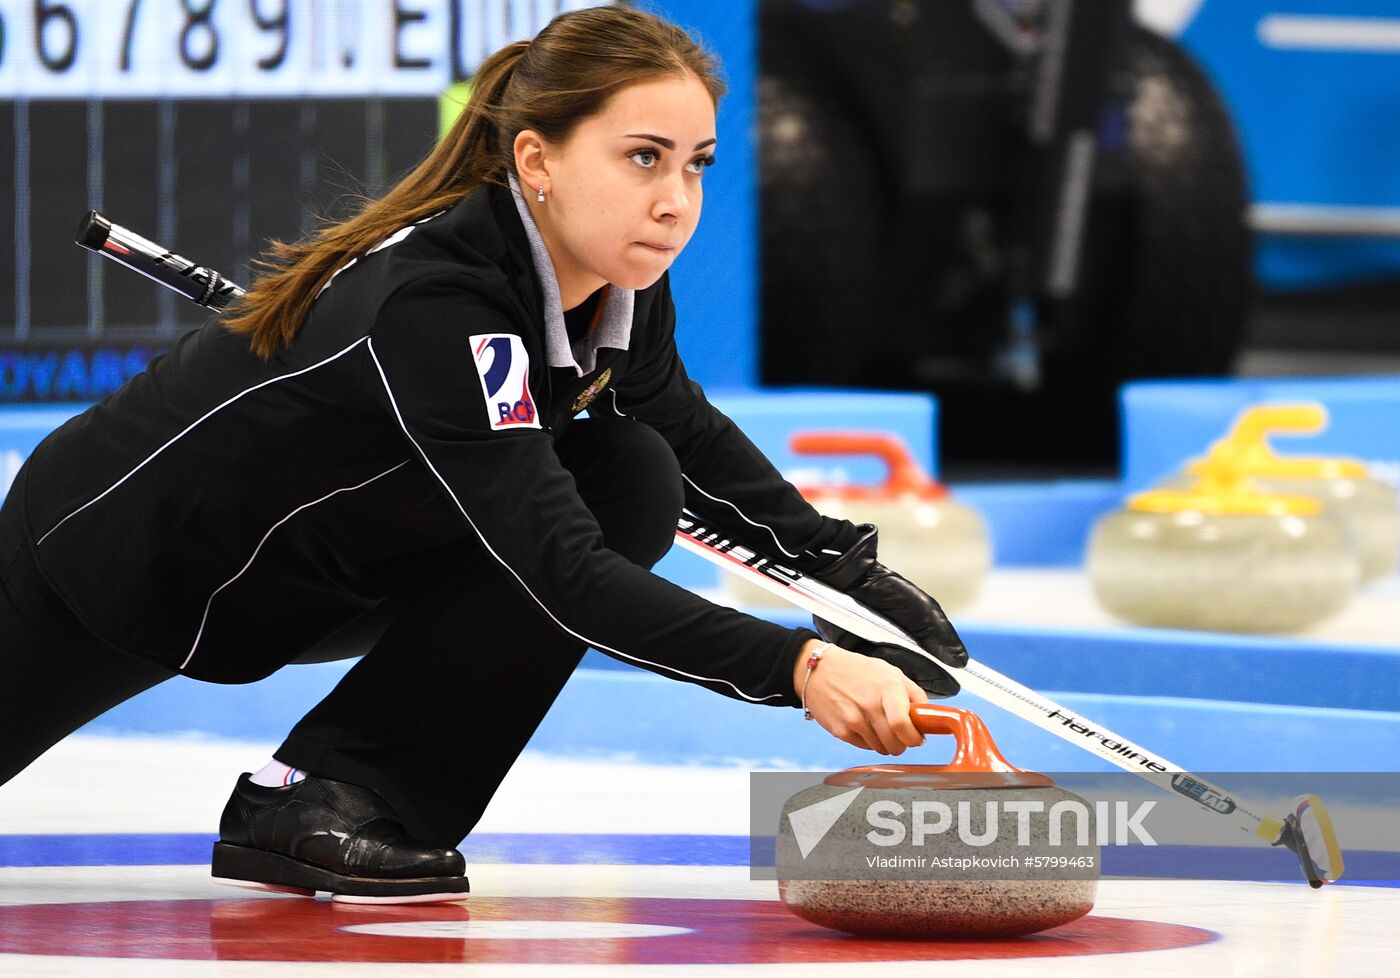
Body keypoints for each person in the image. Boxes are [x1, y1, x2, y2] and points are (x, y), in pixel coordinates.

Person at [0, 6, 966, 903]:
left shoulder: (614, 270)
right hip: (120, 568)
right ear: (535, 159)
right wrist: (802, 668)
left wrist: (838, 566)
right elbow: (561, 572)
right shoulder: (441, 303)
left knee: (629, 472)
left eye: (697, 164)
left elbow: (676, 421)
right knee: (591, 513)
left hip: (322, 569)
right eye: (643, 158)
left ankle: (333, 795)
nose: (676, 201)